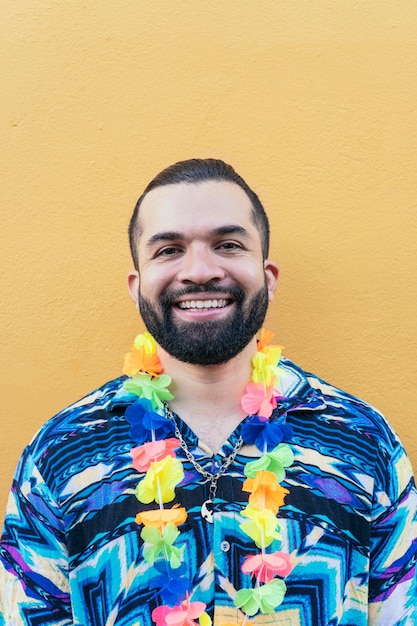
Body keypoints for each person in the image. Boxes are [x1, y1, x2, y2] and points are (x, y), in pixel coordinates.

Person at [1, 158, 416, 626]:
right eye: (168, 250)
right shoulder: (63, 451)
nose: (199, 270)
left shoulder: (360, 440)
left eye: (228, 244)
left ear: (268, 276)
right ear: (137, 287)